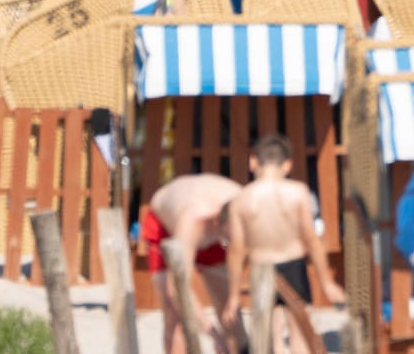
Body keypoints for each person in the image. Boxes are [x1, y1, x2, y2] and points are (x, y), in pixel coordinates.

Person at [222, 136, 344, 352]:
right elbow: (311, 239)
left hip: (261, 269)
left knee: (267, 338)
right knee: (299, 336)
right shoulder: (298, 192)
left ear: (253, 162)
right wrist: (327, 282)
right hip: (294, 267)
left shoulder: (241, 199)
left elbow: (237, 250)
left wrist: (232, 296)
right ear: (287, 165)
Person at [145, 173, 242, 354]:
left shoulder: (247, 207)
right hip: (165, 227)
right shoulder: (193, 219)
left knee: (230, 315)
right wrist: (214, 335)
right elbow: (176, 290)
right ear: (216, 223)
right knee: (174, 314)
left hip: (214, 229)